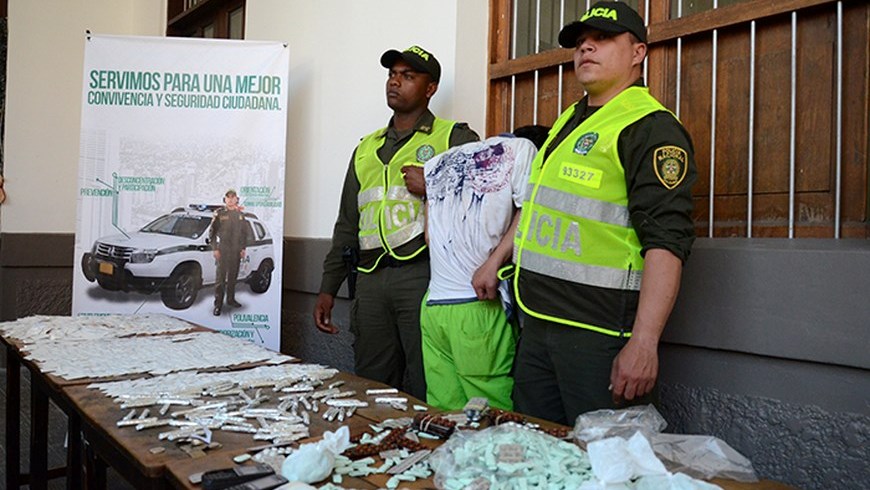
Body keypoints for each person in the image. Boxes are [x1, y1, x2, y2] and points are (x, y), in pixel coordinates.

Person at [511, 1, 698, 425]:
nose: (586, 49)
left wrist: (644, 342)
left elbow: (667, 242)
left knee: (604, 465)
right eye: (580, 43)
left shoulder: (649, 127)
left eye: (602, 39)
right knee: (539, 452)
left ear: (638, 53)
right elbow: (539, 203)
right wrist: (496, 261)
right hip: (538, 321)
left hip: (598, 335)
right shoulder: (571, 120)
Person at [313, 45, 479, 400]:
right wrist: (328, 288)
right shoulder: (365, 148)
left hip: (423, 274)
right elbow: (347, 223)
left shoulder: (453, 137)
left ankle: (426, 449)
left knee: (427, 377)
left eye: (408, 76)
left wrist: (432, 181)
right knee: (372, 382)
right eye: (392, 75)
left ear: (430, 88)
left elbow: (485, 191)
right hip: (370, 281)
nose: (395, 82)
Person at [420, 126, 549, 411]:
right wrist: (493, 263)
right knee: (491, 413)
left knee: (444, 412)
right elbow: (531, 213)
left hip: (433, 307)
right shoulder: (524, 151)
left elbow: (429, 235)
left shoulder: (438, 162)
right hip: (478, 307)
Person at [211, 189, 250, 316]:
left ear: (237, 199)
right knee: (220, 279)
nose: (231, 200)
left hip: (236, 251)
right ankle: (218, 305)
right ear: (225, 200)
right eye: (228, 197)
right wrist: (215, 248)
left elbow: (244, 234)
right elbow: (212, 232)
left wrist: (243, 248)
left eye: (233, 197)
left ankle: (231, 300)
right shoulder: (219, 214)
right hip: (223, 250)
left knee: (233, 277)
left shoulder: (240, 215)